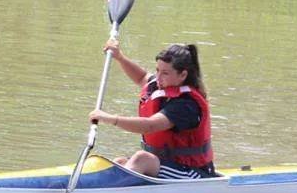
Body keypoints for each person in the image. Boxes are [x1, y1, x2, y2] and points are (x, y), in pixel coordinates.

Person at [89, 40, 216, 179]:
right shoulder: (162, 85)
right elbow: (142, 77)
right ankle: (97, 190)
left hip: (194, 173)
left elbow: (149, 125)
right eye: (157, 71)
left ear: (183, 75)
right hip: (169, 165)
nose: (158, 78)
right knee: (120, 162)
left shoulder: (186, 105)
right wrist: (119, 57)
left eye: (165, 73)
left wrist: (110, 118)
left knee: (141, 159)